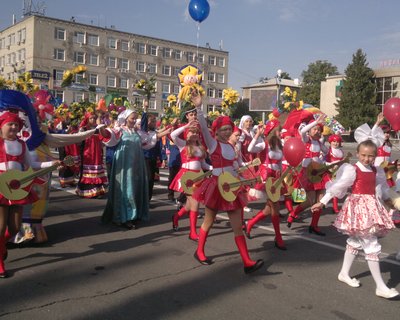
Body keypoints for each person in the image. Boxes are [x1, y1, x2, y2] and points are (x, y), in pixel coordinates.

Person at [311, 124, 398, 299]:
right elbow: (337, 187)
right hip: (358, 209)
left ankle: (344, 273)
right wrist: (321, 202)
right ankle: (380, 286)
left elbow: (380, 189)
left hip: (371, 207)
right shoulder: (352, 169)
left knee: (355, 242)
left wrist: (391, 202)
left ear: (375, 156)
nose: (367, 159)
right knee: (371, 245)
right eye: (364, 155)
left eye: (371, 156)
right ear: (358, 153)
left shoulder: (376, 170)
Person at [191, 92, 264, 274]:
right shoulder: (213, 143)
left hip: (231, 186)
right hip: (216, 186)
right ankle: (199, 250)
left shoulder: (232, 147)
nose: (226, 131)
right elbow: (203, 126)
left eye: (228, 128)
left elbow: (235, 166)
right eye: (222, 129)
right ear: (216, 131)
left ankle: (247, 262)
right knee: (209, 220)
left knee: (237, 225)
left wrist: (244, 178)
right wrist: (200, 107)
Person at [0, 111, 61, 278]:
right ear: (1, 126)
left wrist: (51, 163)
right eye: (10, 124)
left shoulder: (22, 144)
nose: (13, 127)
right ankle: (0, 261)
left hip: (18, 189)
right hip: (1, 188)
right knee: (0, 227)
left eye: (16, 125)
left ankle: (2, 246)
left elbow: (32, 163)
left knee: (14, 228)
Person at [101, 109, 171, 229]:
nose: (134, 121)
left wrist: (166, 132)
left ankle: (134, 214)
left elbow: (148, 141)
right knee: (126, 189)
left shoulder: (137, 132)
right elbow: (108, 136)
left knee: (135, 188)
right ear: (126, 118)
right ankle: (122, 217)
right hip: (124, 165)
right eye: (132, 118)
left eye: (135, 118)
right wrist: (101, 127)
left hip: (137, 164)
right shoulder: (120, 130)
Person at [244, 119, 287, 250]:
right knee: (275, 207)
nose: (281, 132)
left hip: (276, 177)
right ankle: (278, 237)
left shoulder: (280, 145)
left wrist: (282, 177)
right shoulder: (264, 144)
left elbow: (279, 163)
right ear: (273, 131)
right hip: (266, 177)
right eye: (279, 130)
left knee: (269, 209)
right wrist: (257, 134)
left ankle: (250, 223)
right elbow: (250, 148)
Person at [287, 114, 329, 235]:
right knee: (310, 201)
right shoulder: (306, 139)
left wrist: (323, 142)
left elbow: (326, 152)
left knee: (320, 201)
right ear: (310, 130)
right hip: (308, 173)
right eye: (315, 129)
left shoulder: (319, 143)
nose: (317, 131)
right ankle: (293, 213)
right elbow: (303, 130)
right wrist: (316, 122)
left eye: (319, 130)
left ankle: (314, 225)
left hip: (319, 172)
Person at [170, 121, 211, 241]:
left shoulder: (200, 148)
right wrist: (187, 126)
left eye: (196, 132)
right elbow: (173, 135)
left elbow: (203, 165)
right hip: (186, 177)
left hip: (198, 177)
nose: (194, 134)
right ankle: (192, 232)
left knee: (189, 205)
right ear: (187, 134)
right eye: (191, 132)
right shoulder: (183, 144)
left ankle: (176, 217)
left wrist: (215, 168)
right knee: (195, 203)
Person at [76, 112, 110, 198]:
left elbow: (103, 138)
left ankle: (97, 190)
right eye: (91, 118)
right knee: (88, 172)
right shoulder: (83, 129)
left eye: (94, 118)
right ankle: (87, 190)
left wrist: (102, 144)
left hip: (97, 154)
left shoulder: (97, 129)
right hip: (87, 153)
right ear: (87, 119)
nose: (93, 120)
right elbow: (79, 141)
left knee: (97, 171)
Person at [325, 134, 344, 214]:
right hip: (330, 172)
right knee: (331, 189)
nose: (336, 143)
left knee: (337, 189)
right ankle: (333, 206)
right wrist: (330, 165)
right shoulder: (328, 151)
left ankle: (334, 206)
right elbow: (325, 161)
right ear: (330, 142)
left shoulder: (341, 151)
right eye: (334, 141)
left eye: (337, 142)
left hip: (339, 172)